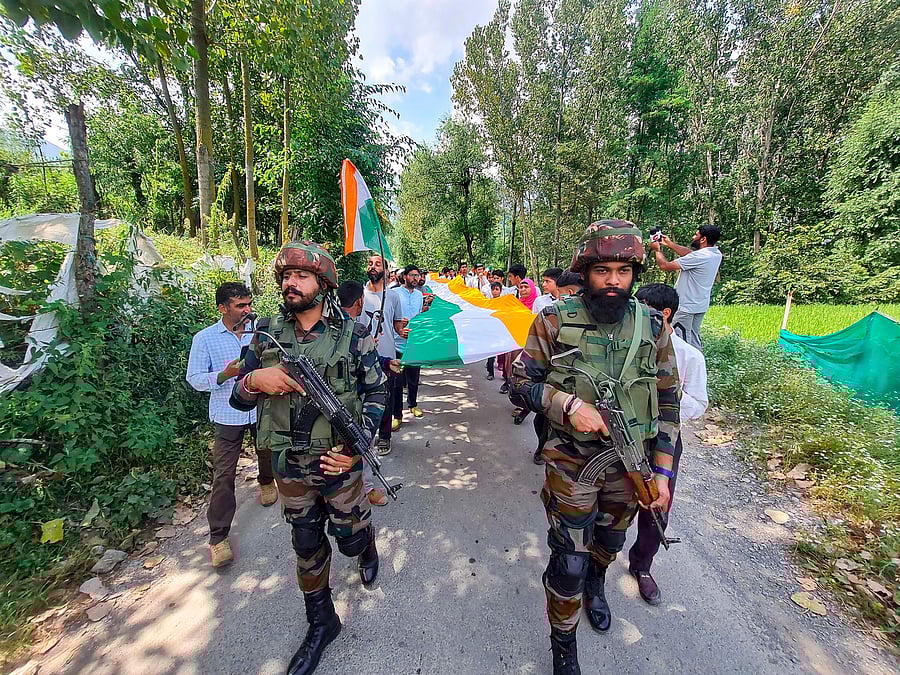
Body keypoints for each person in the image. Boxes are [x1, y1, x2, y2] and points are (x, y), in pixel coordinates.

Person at [511, 220, 680, 674]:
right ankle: (563, 646)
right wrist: (565, 404)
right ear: (584, 271)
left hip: (631, 464)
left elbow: (668, 400)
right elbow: (519, 382)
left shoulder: (651, 325)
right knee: (568, 560)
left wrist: (662, 473)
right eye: (602, 269)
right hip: (571, 462)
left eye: (623, 271)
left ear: (633, 275)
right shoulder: (552, 319)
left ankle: (598, 582)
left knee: (609, 541)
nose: (613, 280)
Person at [230, 242, 386, 675]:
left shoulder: (352, 334)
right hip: (290, 468)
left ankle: (366, 542)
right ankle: (321, 622)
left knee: (349, 538)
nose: (290, 283)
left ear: (323, 284)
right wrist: (253, 380)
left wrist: (356, 448)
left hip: (339, 465)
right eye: (285, 277)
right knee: (306, 542)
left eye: (301, 276)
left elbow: (377, 394)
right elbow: (239, 398)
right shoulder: (264, 333)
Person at [186, 281, 277, 569]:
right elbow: (195, 379)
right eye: (241, 306)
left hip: (259, 409)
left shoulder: (259, 333)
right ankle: (218, 538)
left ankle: (266, 481)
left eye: (249, 304)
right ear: (223, 308)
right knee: (224, 475)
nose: (248, 310)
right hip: (227, 415)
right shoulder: (205, 339)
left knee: (266, 451)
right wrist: (224, 376)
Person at [628, 283, 707, 605]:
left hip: (663, 437)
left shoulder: (689, 356)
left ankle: (642, 566)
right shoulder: (627, 348)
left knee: (657, 504)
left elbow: (698, 404)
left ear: (664, 315)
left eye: (641, 309)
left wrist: (664, 397)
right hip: (625, 434)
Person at [337, 279, 402, 506]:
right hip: (341, 403)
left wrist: (384, 362)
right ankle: (355, 489)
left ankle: (366, 486)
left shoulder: (357, 329)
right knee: (354, 446)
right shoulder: (341, 329)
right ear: (360, 301)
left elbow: (366, 362)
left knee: (363, 444)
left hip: (359, 398)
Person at [649, 224, 722, 350]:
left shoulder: (700, 257)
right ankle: (698, 366)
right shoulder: (715, 253)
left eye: (696, 235)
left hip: (685, 307)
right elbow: (690, 254)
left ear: (703, 239)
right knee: (693, 338)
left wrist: (657, 250)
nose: (693, 237)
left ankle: (684, 367)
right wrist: (670, 244)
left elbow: (665, 266)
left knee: (680, 341)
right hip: (699, 305)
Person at [361, 255, 406, 457]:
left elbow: (396, 325)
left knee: (385, 399)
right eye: (370, 263)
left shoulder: (393, 296)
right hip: (361, 356)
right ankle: (362, 437)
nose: (373, 267)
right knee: (362, 398)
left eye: (377, 264)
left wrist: (402, 330)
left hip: (386, 356)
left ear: (386, 271)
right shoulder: (359, 295)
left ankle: (385, 437)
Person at [391, 265, 426, 429]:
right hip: (397, 343)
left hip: (414, 343)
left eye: (417, 275)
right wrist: (398, 326)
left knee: (413, 379)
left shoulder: (419, 295)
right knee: (397, 382)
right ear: (404, 277)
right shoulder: (395, 294)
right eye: (412, 275)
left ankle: (412, 404)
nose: (416, 278)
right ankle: (397, 415)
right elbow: (389, 316)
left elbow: (419, 315)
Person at [485, 281, 504, 380]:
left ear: (500, 291)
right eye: (493, 289)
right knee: (491, 353)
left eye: (497, 289)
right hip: (491, 330)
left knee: (504, 351)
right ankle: (490, 372)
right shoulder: (489, 303)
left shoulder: (504, 303)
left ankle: (505, 373)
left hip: (501, 329)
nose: (495, 291)